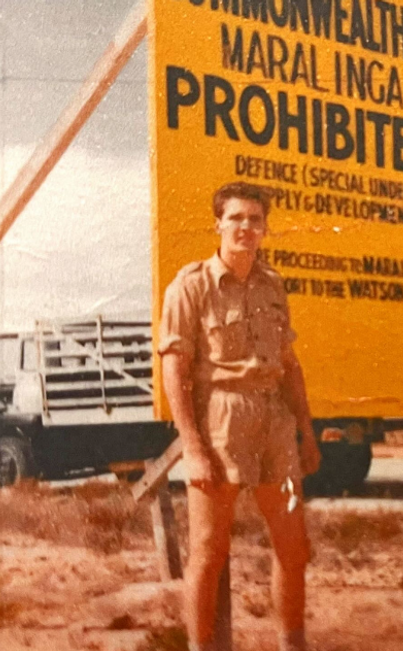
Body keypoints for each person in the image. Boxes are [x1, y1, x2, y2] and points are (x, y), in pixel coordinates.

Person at [159, 181, 321, 651]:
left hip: (274, 422)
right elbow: (174, 369)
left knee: (294, 549)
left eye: (255, 219)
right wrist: (192, 447)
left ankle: (293, 644)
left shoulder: (273, 286)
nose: (246, 227)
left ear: (265, 228)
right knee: (208, 552)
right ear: (218, 224)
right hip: (220, 421)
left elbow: (289, 366)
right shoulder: (190, 286)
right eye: (237, 218)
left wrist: (305, 433)